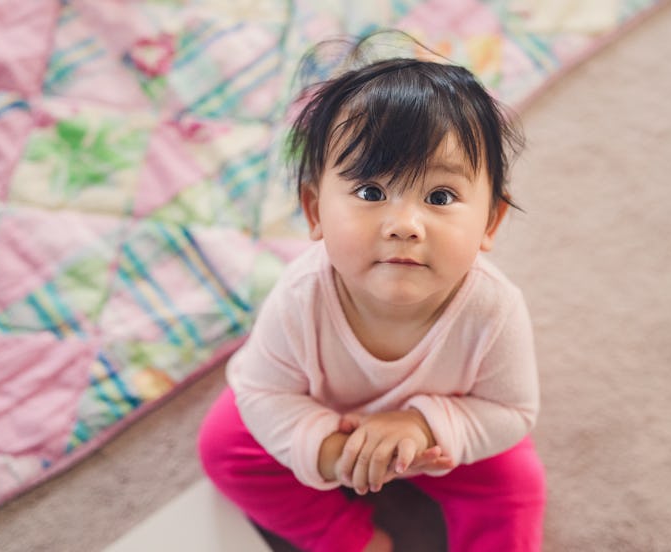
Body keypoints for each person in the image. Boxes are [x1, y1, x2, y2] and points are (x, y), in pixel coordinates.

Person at [197, 34, 545, 552]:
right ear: (315, 211)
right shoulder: (300, 297)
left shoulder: (493, 309)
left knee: (517, 484)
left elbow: (511, 411)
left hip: (435, 445)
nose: (405, 224)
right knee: (224, 444)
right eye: (371, 192)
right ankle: (346, 538)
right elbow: (265, 393)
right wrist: (337, 454)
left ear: (490, 221)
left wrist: (423, 427)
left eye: (440, 196)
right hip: (327, 419)